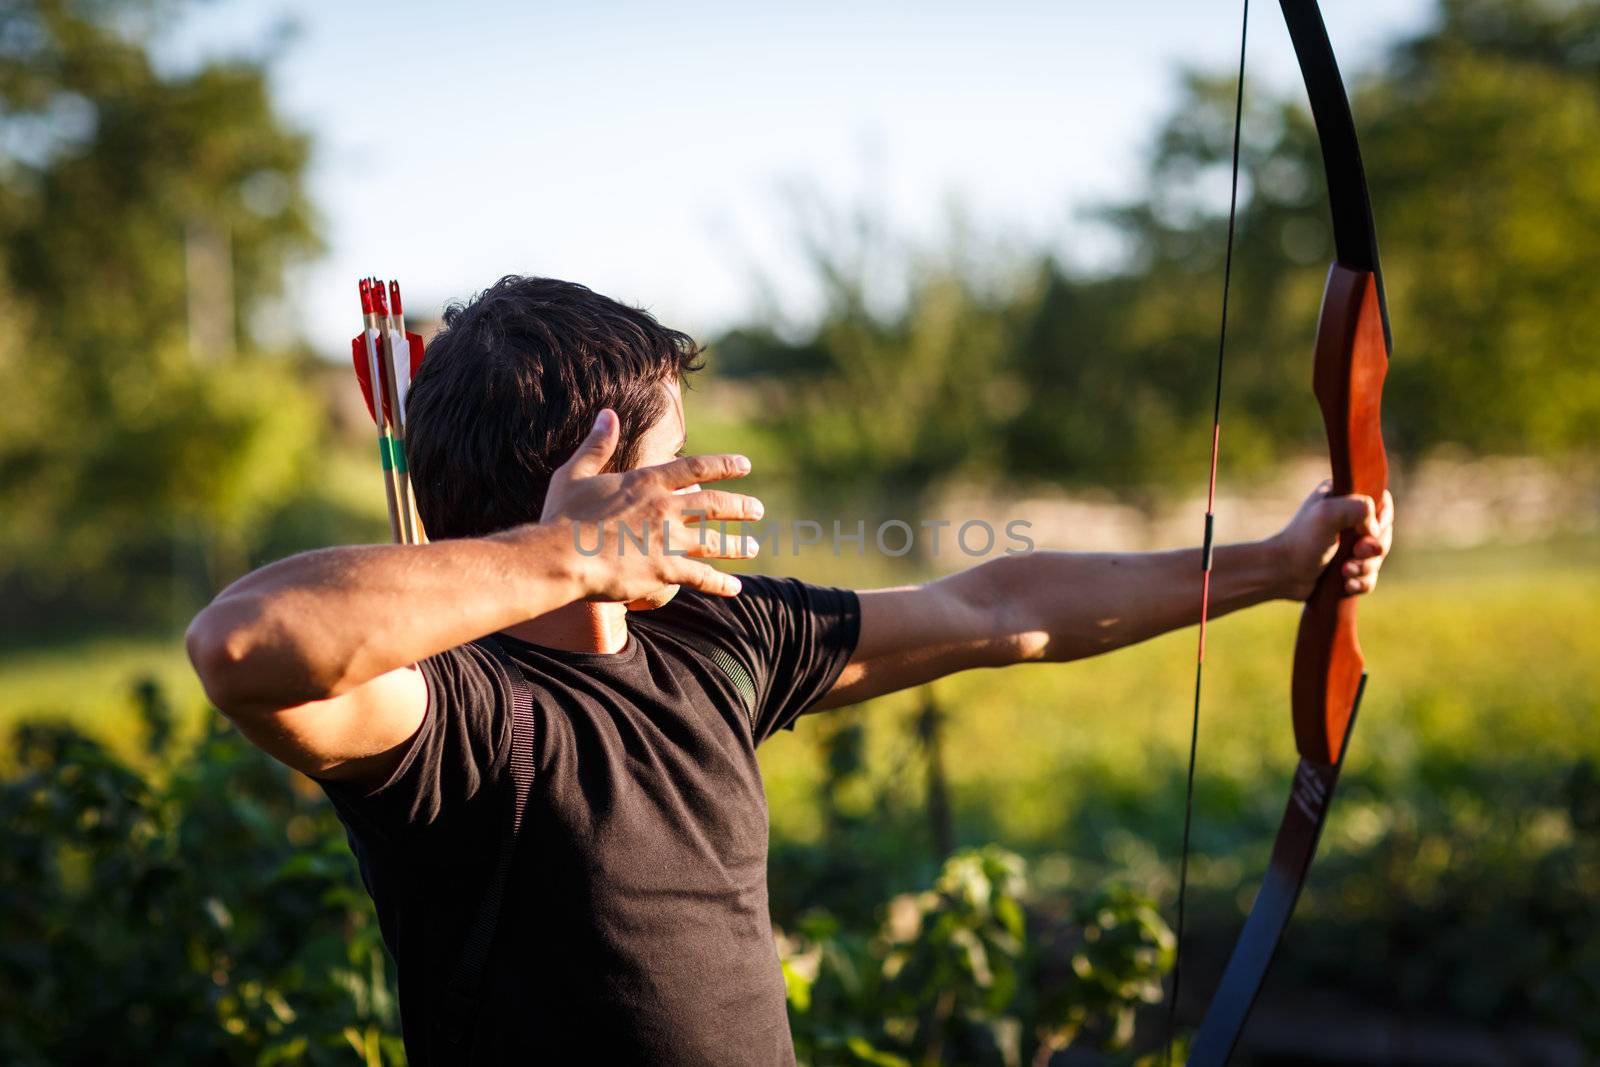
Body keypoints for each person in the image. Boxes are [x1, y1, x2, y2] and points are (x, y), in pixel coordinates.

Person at [186, 275, 1393, 1065]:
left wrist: (1274, 566)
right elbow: (241, 645)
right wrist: (563, 557)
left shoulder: (718, 635)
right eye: (672, 460)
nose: (699, 482)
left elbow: (999, 603)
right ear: (593, 483)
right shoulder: (455, 715)